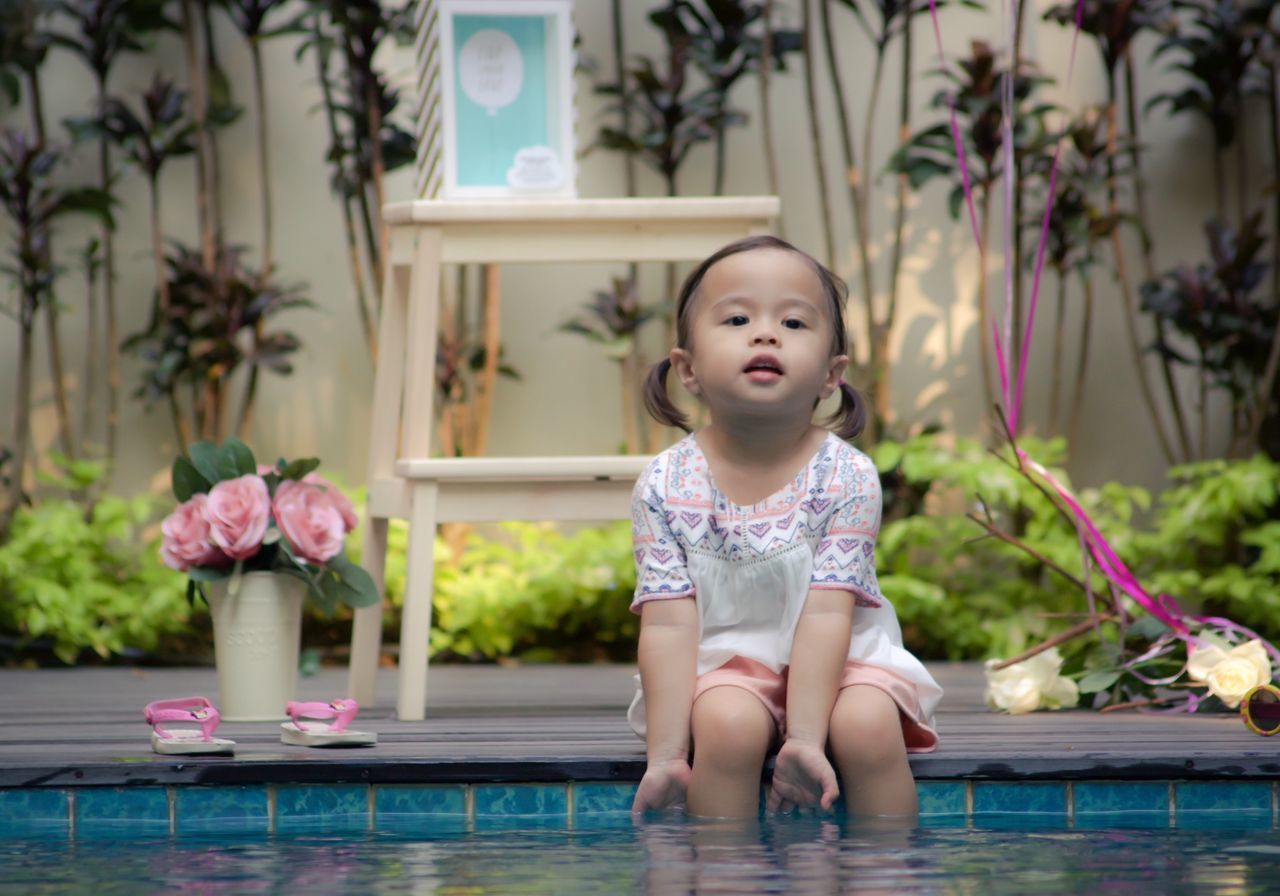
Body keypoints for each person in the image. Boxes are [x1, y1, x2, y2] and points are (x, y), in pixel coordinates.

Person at [628, 235, 942, 819]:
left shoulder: (846, 477)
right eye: (739, 317)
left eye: (794, 322)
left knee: (867, 726)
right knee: (725, 729)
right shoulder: (665, 485)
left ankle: (886, 874)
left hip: (844, 658)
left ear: (831, 374)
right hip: (727, 664)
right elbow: (669, 627)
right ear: (687, 369)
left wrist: (804, 739)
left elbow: (827, 612)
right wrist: (666, 756)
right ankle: (726, 874)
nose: (767, 333)